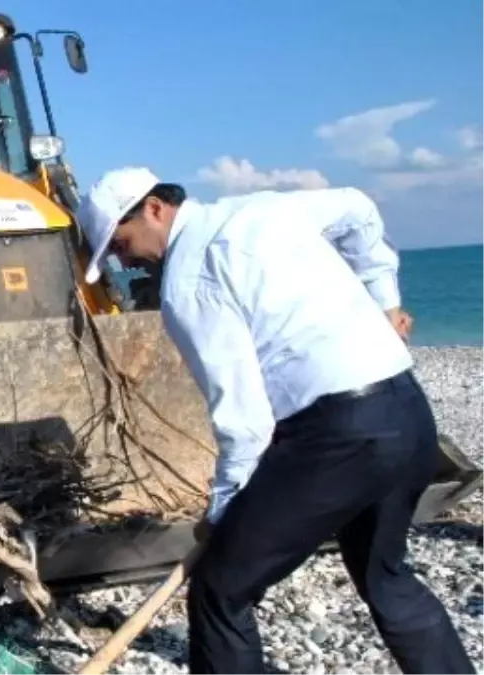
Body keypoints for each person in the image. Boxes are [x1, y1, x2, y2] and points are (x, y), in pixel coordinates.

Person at [76, 167, 472, 673]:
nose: (120, 258)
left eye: (121, 241)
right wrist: (385, 302)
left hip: (339, 436)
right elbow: (358, 208)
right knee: (387, 577)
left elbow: (243, 418)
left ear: (155, 208)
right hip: (408, 413)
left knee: (222, 591)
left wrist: (224, 512)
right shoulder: (263, 208)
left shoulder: (187, 280)